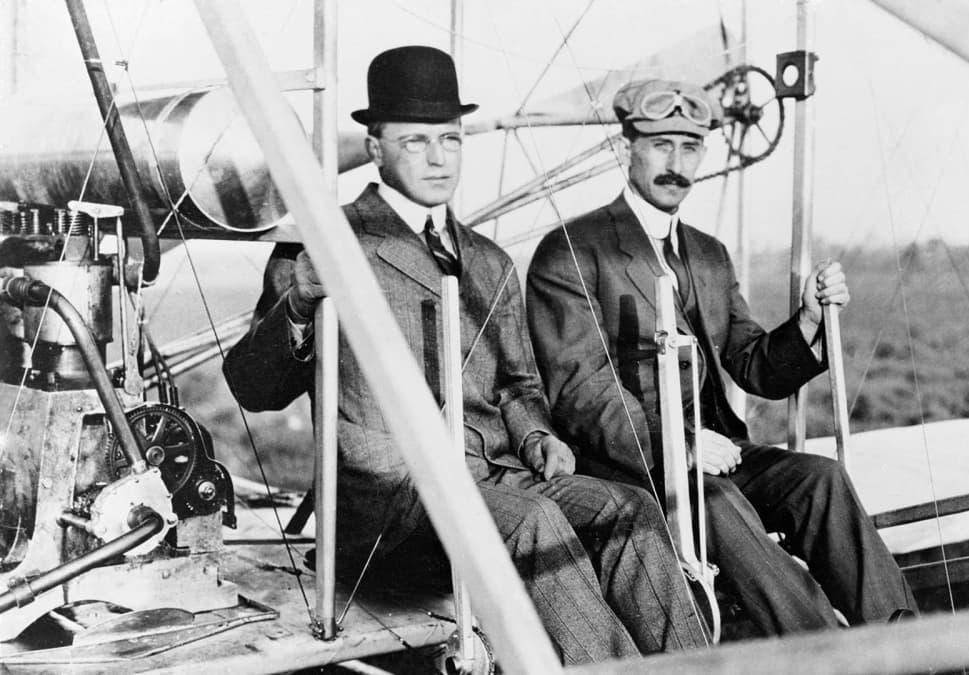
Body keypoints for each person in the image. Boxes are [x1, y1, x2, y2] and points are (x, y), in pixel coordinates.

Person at [223, 49, 708, 664]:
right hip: (389, 507)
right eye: (416, 141)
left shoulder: (488, 261)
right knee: (533, 524)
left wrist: (536, 438)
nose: (436, 157)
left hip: (497, 479)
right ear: (375, 149)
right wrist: (297, 303)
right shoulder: (326, 243)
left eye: (449, 140)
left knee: (626, 508)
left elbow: (517, 386)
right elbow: (251, 388)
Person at [525, 78, 918, 636]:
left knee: (821, 480)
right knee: (715, 503)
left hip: (719, 452)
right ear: (625, 148)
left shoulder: (707, 254)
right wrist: (678, 445)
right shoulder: (572, 250)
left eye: (690, 148)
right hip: (632, 471)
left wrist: (807, 321)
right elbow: (579, 392)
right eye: (662, 145)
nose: (677, 164)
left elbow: (754, 363)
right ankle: (833, 657)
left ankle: (917, 652)